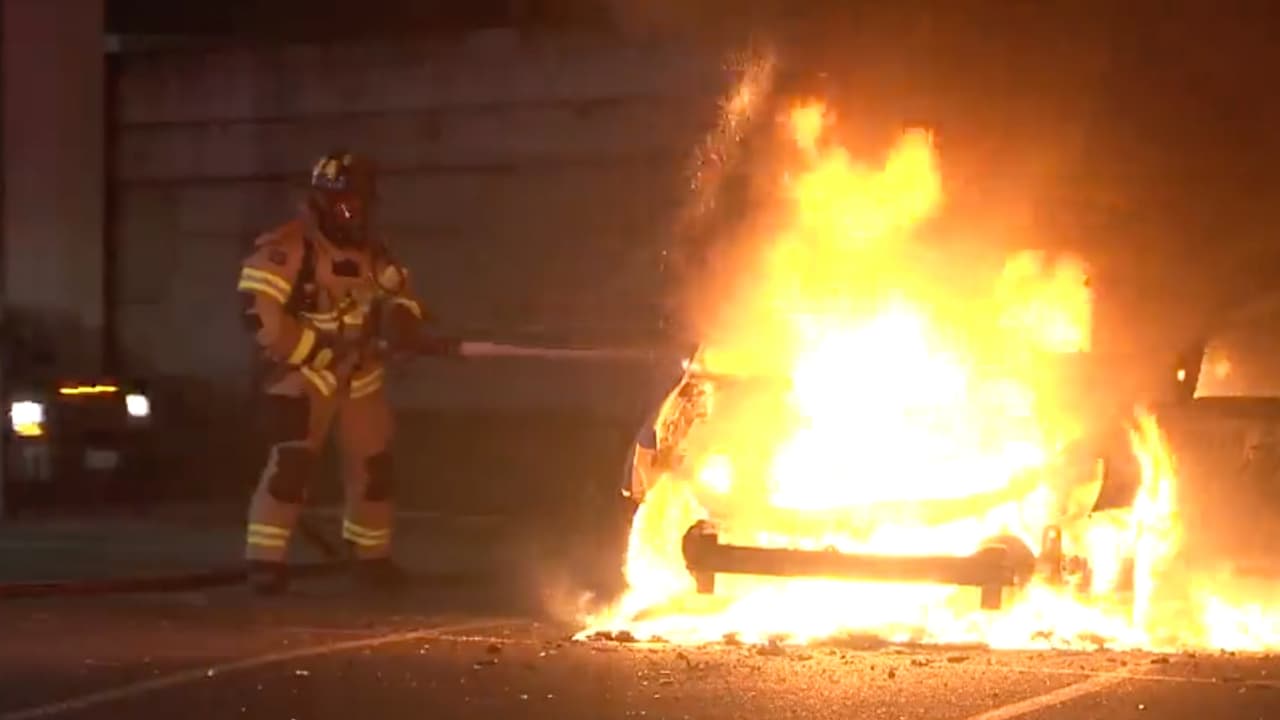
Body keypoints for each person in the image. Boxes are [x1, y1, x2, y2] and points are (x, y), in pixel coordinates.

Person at [235, 150, 454, 595]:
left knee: (374, 469)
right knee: (291, 468)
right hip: (305, 375)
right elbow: (258, 312)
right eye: (345, 205)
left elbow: (400, 295)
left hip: (362, 376)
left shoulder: (374, 253)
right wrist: (313, 349)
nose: (354, 215)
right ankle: (265, 560)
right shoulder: (288, 247)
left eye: (362, 205)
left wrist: (405, 322)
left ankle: (371, 557)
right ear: (321, 203)